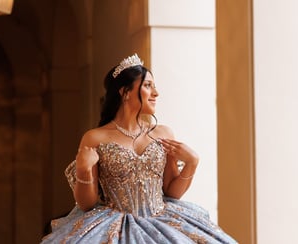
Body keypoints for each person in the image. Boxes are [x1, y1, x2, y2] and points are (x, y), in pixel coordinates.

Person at [41, 54, 237, 243]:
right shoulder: (94, 137)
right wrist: (84, 170)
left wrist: (192, 164)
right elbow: (86, 204)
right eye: (147, 85)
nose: (156, 93)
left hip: (162, 220)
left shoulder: (163, 133)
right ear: (124, 91)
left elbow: (172, 192)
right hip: (113, 226)